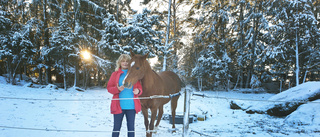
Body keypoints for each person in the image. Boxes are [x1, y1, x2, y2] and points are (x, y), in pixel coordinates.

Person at [107, 54, 143, 137]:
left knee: (131, 129)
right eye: (123, 61)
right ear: (119, 62)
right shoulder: (115, 74)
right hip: (118, 106)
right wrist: (117, 89)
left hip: (131, 107)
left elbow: (140, 89)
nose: (125, 63)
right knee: (116, 128)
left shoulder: (134, 74)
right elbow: (109, 88)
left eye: (127, 61)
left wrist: (138, 91)